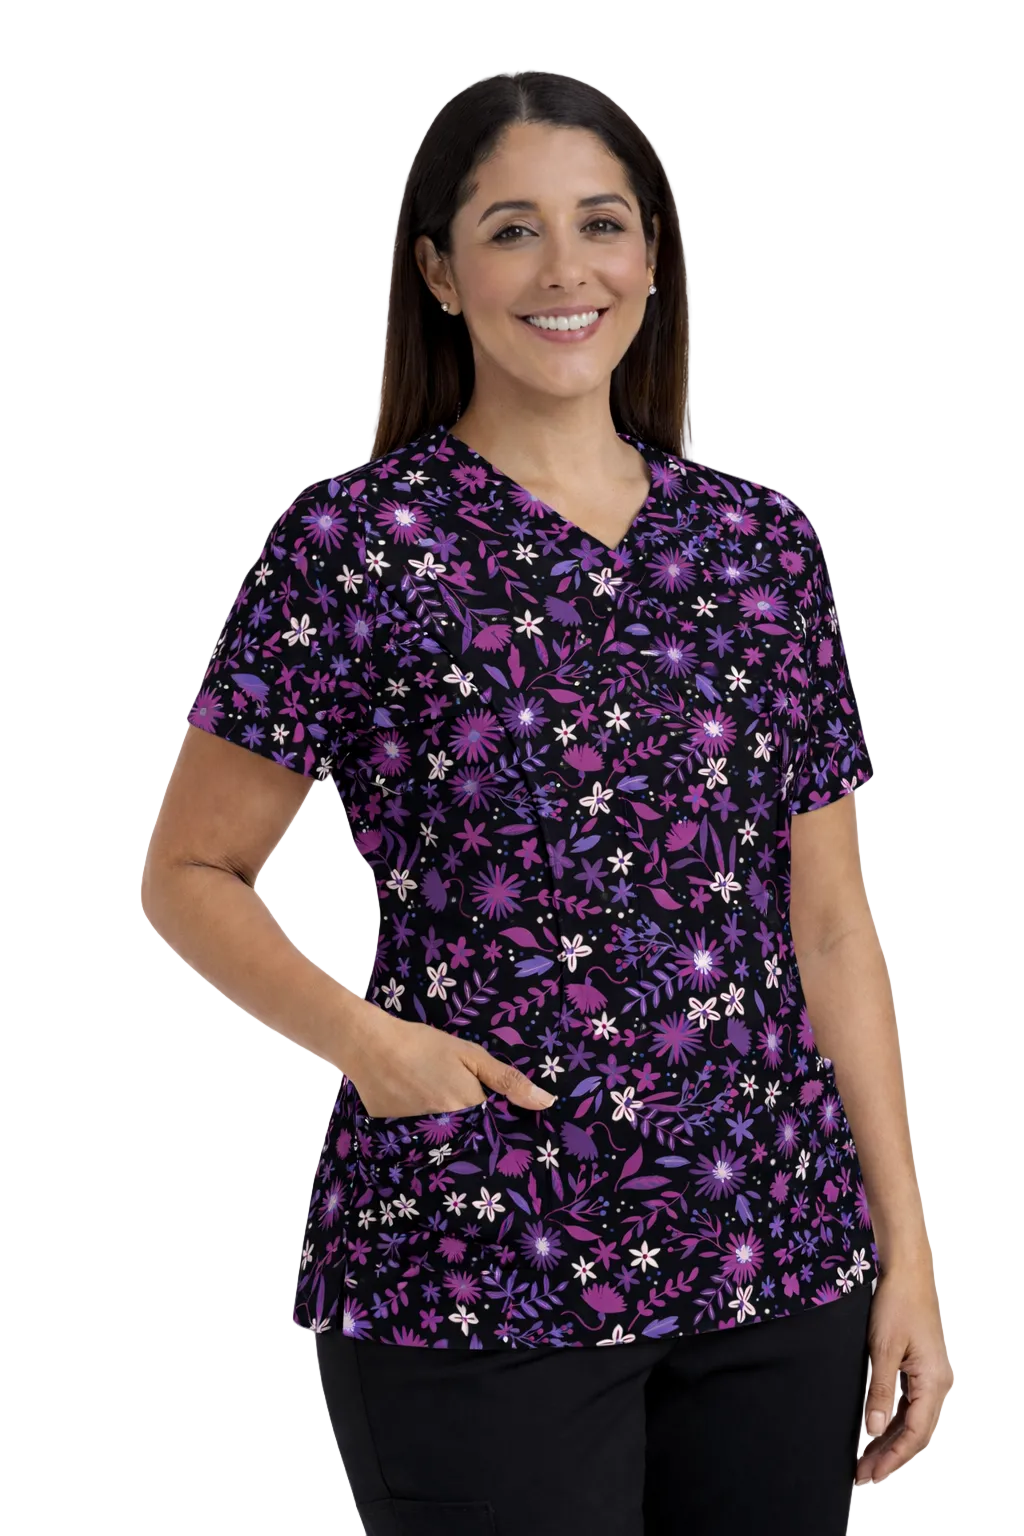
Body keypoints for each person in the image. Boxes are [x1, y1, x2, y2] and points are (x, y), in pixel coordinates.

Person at [142, 70, 953, 1536]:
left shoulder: (760, 548)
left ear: (654, 257)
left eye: (602, 224)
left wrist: (907, 1249)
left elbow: (830, 926)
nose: (567, 269)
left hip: (774, 1248)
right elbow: (190, 872)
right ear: (441, 273)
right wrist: (373, 1047)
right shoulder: (356, 545)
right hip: (478, 1249)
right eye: (513, 230)